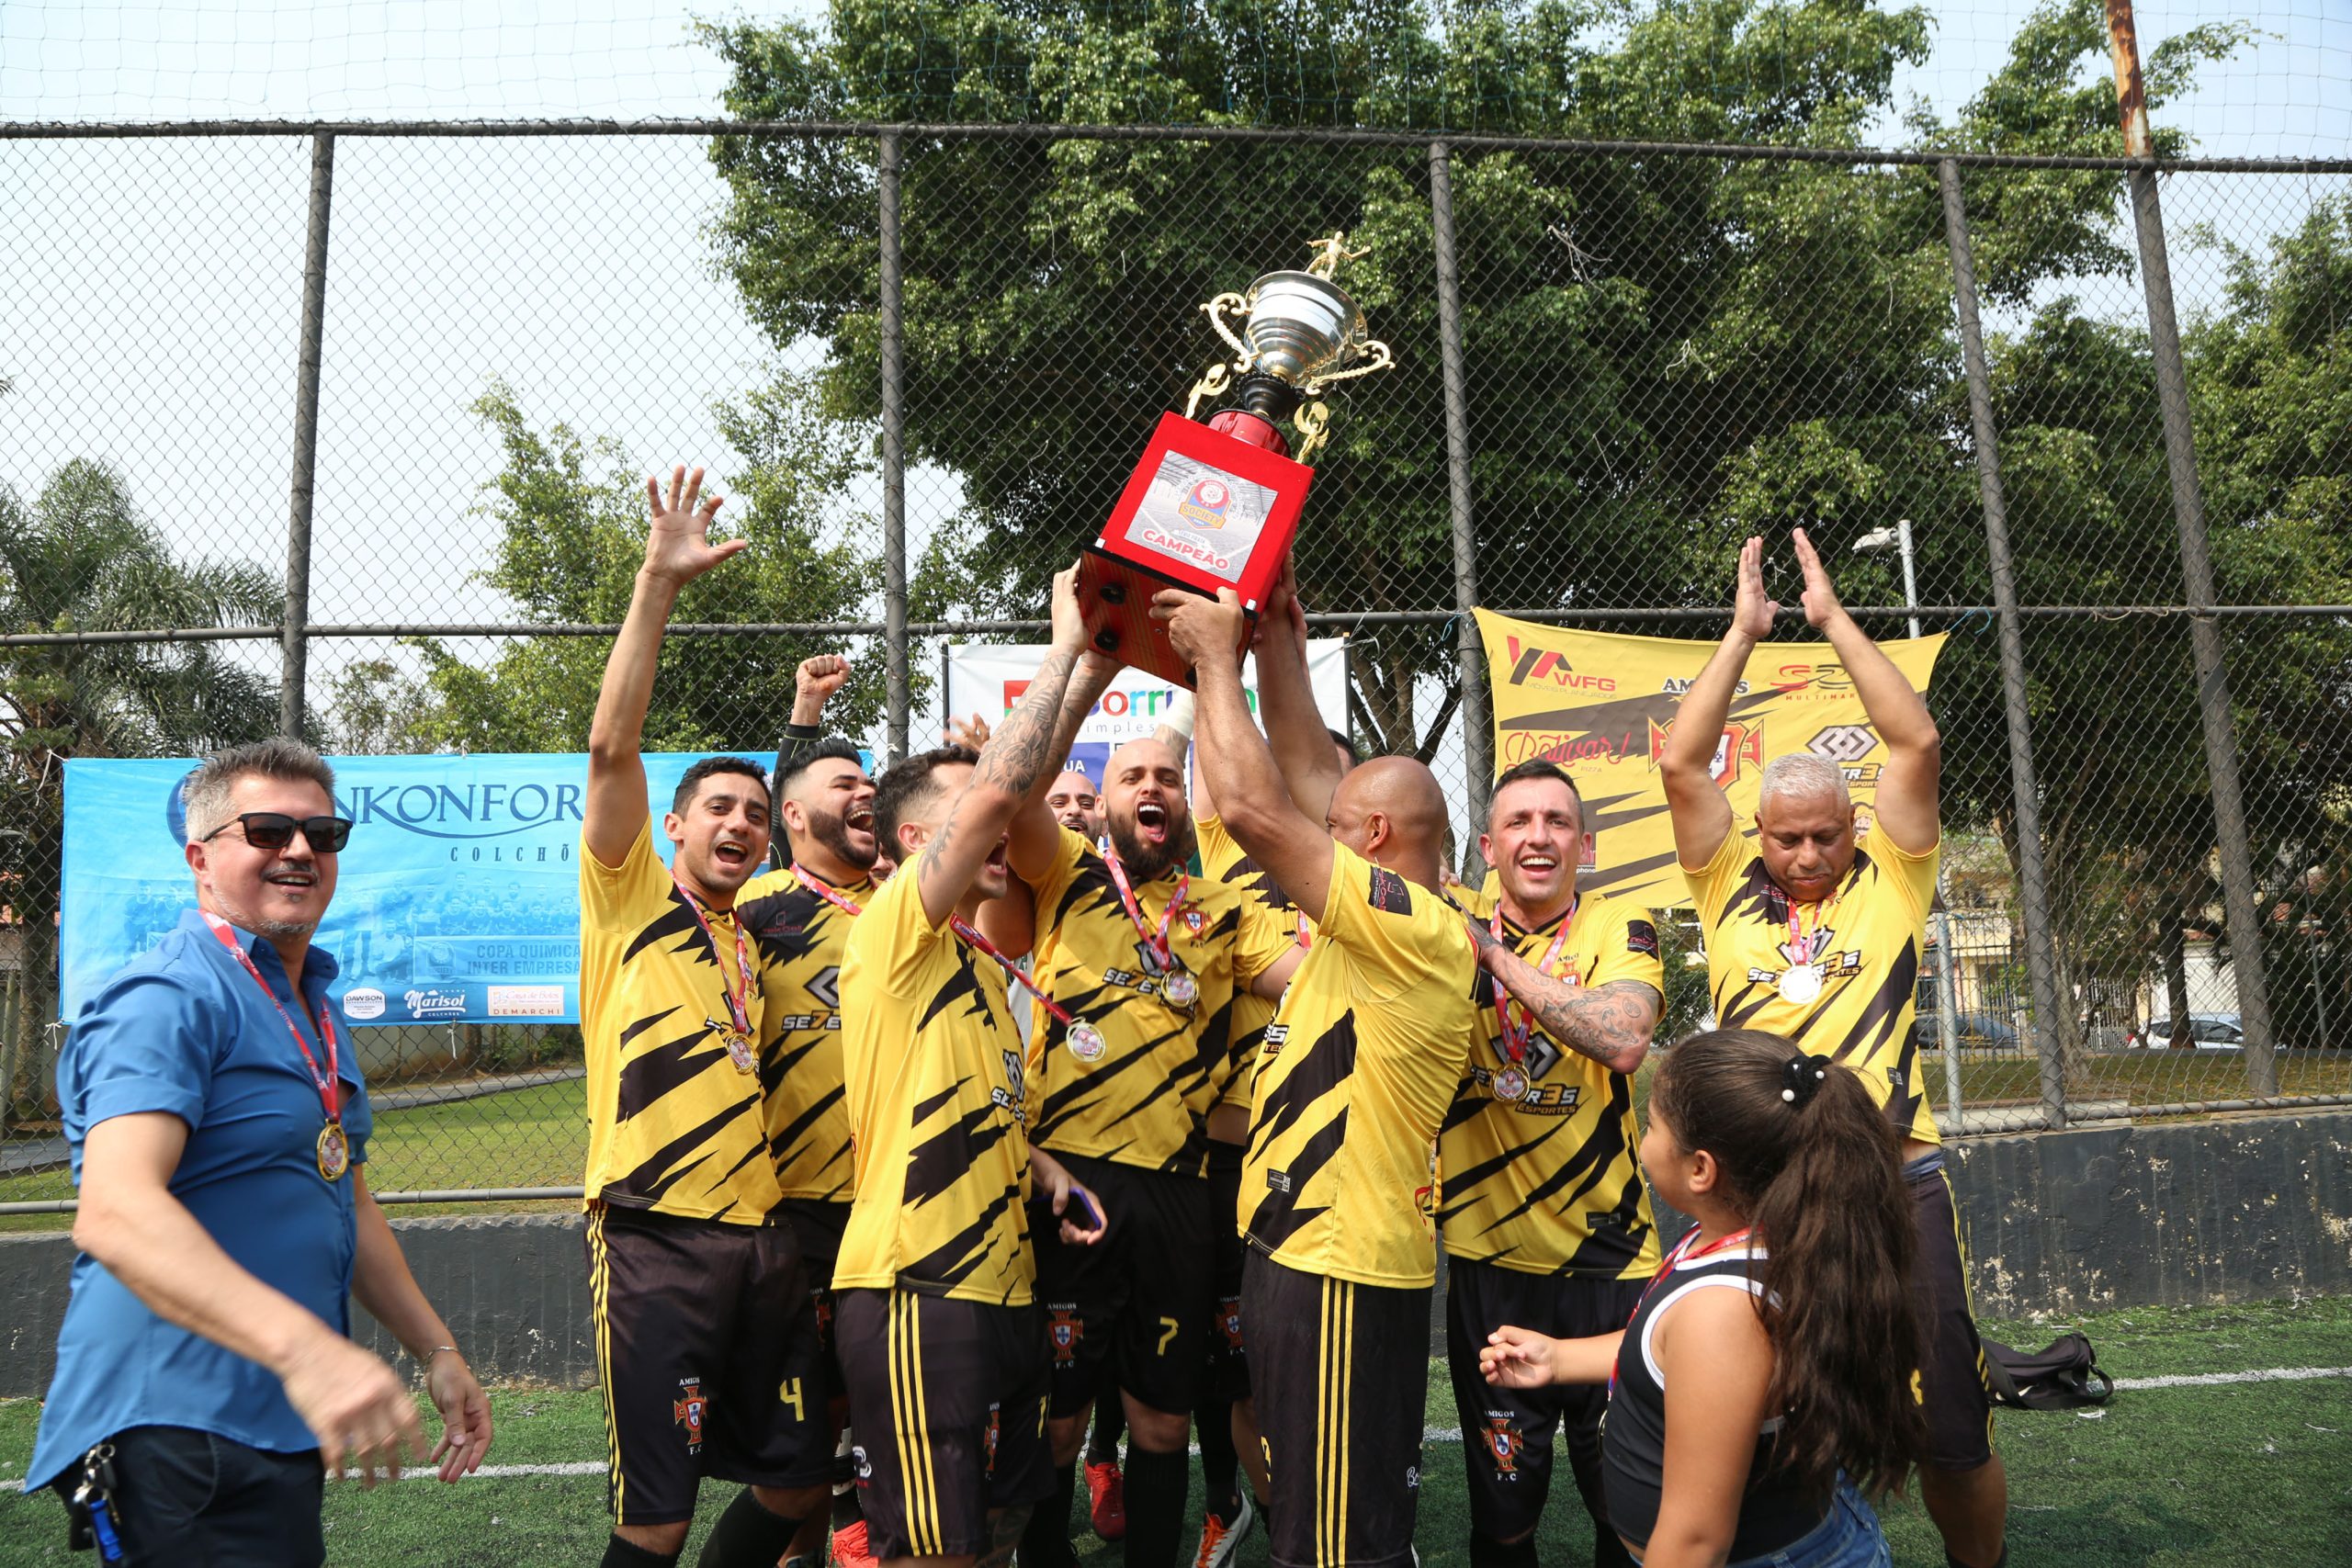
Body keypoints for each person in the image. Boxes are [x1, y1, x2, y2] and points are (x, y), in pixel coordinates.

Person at [27, 738, 492, 1565]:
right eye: (269, 831)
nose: (301, 850)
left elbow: (340, 1192)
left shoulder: (306, 997)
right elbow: (116, 1211)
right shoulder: (167, 995)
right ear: (201, 856)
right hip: (176, 1418)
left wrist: (436, 1348)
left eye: (323, 833)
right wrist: (312, 1351)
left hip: (272, 1413)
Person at [1659, 529, 2006, 1568]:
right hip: (1763, 1195)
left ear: (1854, 825)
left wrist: (1832, 622)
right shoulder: (1721, 882)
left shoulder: (1893, 877)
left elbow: (1916, 747)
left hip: (1898, 1181)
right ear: (1755, 832)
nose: (1805, 854)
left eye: (1824, 834)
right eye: (1785, 837)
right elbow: (1679, 761)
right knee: (1767, 1424)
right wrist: (1739, 635)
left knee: (1947, 1427)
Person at [1156, 573, 1480, 1568]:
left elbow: (1258, 810)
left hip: (1337, 1263)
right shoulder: (1382, 915)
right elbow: (1302, 781)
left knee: (1331, 1544)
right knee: (1325, 1514)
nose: (1319, 837)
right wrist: (1276, 632)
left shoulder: (1412, 925)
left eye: (1339, 831)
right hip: (1304, 1251)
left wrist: (1214, 660)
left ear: (1374, 842)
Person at [833, 562, 1110, 1568]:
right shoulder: (894, 932)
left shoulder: (982, 961)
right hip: (918, 1291)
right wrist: (1066, 647)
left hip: (1001, 1291)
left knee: (991, 1541)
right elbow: (1003, 785)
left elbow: (1014, 788)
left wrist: (1044, 1169)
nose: (1008, 822)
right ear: (917, 843)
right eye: (975, 816)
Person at [580, 467, 830, 1568]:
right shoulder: (629, 898)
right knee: (658, 1519)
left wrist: (804, 725)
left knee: (799, 1482)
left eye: (756, 816)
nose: (739, 823)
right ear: (673, 824)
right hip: (654, 1236)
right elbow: (611, 747)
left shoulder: (759, 927)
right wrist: (656, 585)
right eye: (716, 808)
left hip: (766, 1239)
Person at [1002, 687, 1299, 1568]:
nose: (1153, 787)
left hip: (1177, 1187)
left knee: (1163, 1421)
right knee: (1057, 1427)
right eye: (1133, 774)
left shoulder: (1221, 906)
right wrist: (1080, 674)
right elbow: (1014, 797)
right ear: (1103, 797)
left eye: (1168, 776)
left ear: (1183, 798)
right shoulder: (1065, 873)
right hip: (1072, 1185)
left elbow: (1299, 978)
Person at [1477, 1030, 1926, 1568]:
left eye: (1651, 1126)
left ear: (1700, 1169)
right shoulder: (1738, 1234)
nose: (1643, 1141)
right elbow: (1672, 1356)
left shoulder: (1722, 1313)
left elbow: (1696, 1541)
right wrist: (1560, 1357)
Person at [1438, 759, 1665, 1568]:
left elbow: (1624, 1036)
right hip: (1492, 1267)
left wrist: (1493, 956)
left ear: (1586, 845)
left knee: (1630, 1507)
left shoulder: (1618, 924)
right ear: (1489, 846)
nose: (1539, 836)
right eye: (1519, 822)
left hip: (1613, 1260)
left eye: (1557, 821)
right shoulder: (1441, 920)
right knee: (1504, 1517)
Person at [1180, 643, 1356, 1568]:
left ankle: (1329, 1516)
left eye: (1310, 778)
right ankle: (1252, 1503)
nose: (1285, 787)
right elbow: (1220, 762)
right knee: (1225, 1359)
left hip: (1337, 1163)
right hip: (1225, 1154)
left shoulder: (1361, 886)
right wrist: (1223, 646)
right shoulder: (1222, 846)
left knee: (1324, 1366)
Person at [739, 653, 884, 1568]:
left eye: (872, 784)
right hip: (792, 1204)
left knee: (877, 1391)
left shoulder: (908, 903)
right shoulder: (756, 910)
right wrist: (800, 716)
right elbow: (778, 814)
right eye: (847, 784)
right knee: (804, 1410)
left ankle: (860, 1535)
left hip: (891, 1200)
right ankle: (803, 1551)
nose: (864, 794)